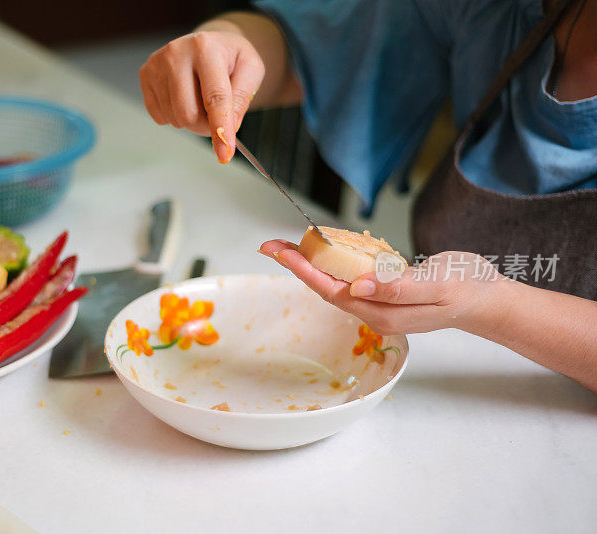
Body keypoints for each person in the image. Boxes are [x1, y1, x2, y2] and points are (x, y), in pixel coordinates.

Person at [138, 0, 597, 392]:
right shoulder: (502, 9)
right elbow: (321, 44)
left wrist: (494, 305)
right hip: (429, 373)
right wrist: (229, 46)